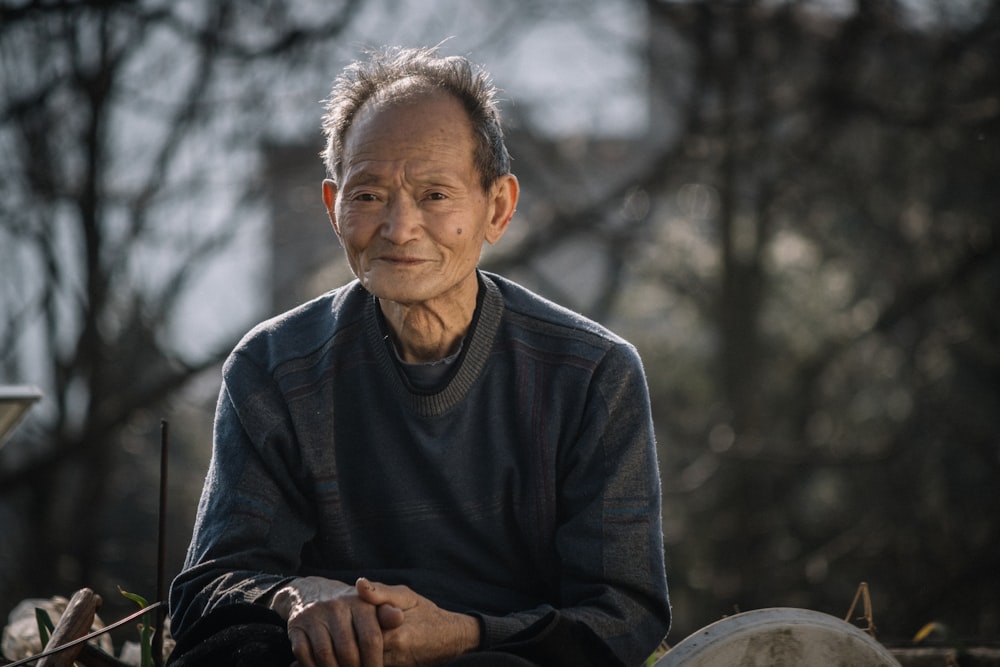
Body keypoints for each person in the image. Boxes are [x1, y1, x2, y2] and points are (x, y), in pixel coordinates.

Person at [168, 45, 670, 667]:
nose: (400, 227)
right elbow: (205, 592)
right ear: (334, 208)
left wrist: (463, 634)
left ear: (498, 208)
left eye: (435, 195)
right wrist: (297, 597)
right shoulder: (273, 367)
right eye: (370, 195)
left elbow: (624, 617)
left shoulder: (592, 374)